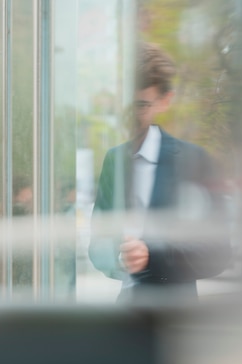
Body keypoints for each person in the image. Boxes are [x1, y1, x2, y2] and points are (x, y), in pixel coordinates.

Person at [88, 42, 231, 306]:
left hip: (177, 316)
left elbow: (218, 252)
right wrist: (119, 257)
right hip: (127, 314)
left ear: (165, 100)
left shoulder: (195, 160)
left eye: (141, 105)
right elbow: (98, 243)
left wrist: (151, 256)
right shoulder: (114, 160)